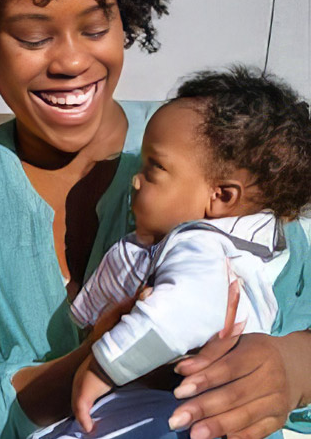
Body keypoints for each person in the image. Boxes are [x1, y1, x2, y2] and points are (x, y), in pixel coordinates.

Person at [0, 0, 311, 439]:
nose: (70, 61)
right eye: (33, 36)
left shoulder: (208, 141)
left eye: (95, 28)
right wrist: (100, 359)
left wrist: (289, 369)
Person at [62, 68, 311, 433]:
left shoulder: (204, 245)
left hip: (181, 413)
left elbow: (177, 315)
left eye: (154, 167)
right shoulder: (255, 246)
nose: (136, 177)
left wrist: (104, 366)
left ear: (221, 196)